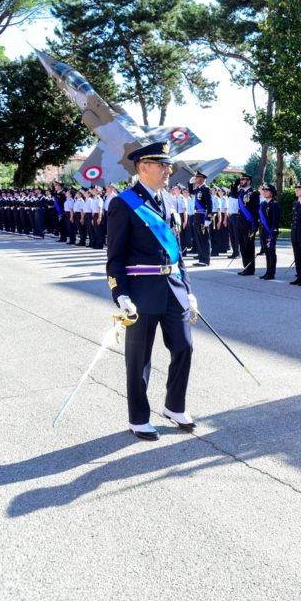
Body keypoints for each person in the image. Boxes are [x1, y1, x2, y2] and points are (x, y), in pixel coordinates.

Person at [105, 141, 197, 441]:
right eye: (162, 165)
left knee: (184, 346)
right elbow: (115, 257)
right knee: (139, 358)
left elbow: (177, 252)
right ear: (143, 167)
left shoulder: (168, 201)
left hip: (173, 290)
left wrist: (189, 289)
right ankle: (138, 418)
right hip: (142, 292)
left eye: (168, 165)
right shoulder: (124, 203)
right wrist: (121, 295)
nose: (168, 170)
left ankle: (174, 405)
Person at [231, 175, 261, 276]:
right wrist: (235, 184)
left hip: (249, 223)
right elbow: (233, 194)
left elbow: (255, 210)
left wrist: (255, 225)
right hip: (240, 222)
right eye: (240, 179)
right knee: (243, 246)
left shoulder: (254, 193)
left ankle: (250, 268)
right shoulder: (240, 192)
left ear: (249, 181)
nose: (241, 181)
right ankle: (246, 267)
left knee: (249, 246)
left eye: (243, 179)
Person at [258, 183, 281, 280]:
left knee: (271, 252)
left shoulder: (274, 205)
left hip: (270, 232)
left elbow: (276, 220)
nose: (264, 192)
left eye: (267, 191)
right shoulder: (263, 204)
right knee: (267, 253)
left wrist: (273, 232)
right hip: (263, 232)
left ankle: (271, 273)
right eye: (264, 190)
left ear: (271, 193)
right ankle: (267, 271)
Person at [190, 171, 212, 267]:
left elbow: (210, 205)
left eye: (198, 177)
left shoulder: (206, 189)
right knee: (199, 238)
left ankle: (206, 260)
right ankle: (201, 258)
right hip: (197, 216)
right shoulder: (198, 189)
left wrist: (208, 218)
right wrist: (190, 183)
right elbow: (191, 191)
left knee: (204, 238)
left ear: (203, 179)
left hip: (203, 216)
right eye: (196, 177)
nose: (196, 179)